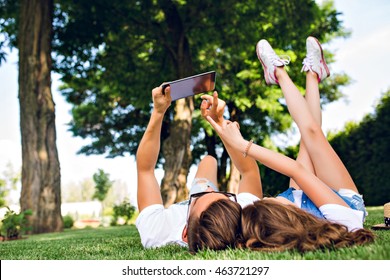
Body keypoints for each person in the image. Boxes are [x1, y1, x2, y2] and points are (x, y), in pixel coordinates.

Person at [204, 36, 375, 252]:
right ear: (288, 214)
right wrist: (244, 145)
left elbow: (248, 175)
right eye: (269, 200)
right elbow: (293, 168)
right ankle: (278, 72)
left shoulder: (260, 226)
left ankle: (314, 74)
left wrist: (221, 126)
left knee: (307, 140)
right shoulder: (343, 220)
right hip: (342, 199)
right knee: (312, 134)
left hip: (297, 204)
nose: (266, 196)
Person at [135, 84, 262, 253]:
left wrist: (158, 111)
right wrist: (219, 123)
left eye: (199, 197)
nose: (209, 190)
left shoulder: (157, 231)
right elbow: (249, 172)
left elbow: (145, 170)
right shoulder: (245, 213)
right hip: (214, 211)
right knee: (209, 160)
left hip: (189, 212)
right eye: (226, 197)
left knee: (208, 161)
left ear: (185, 233)